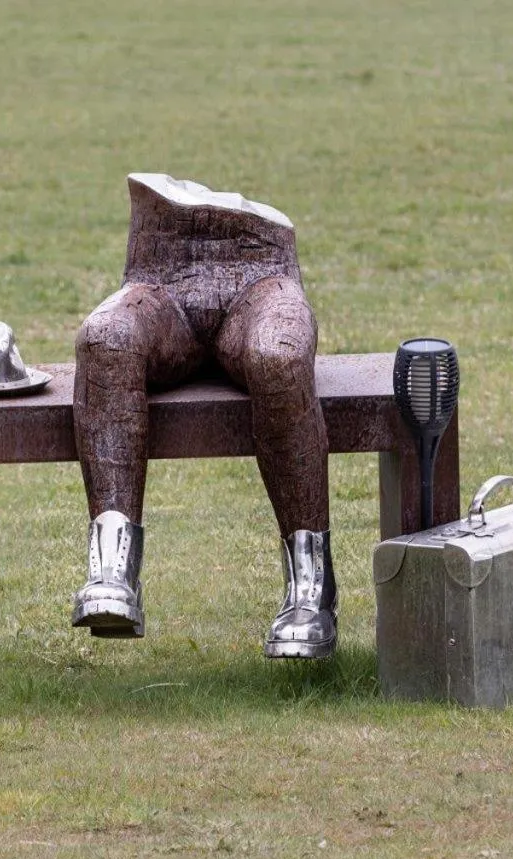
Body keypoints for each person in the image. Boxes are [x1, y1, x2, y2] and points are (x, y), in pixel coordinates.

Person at [70, 173, 336, 658]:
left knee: (279, 357)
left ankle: (311, 588)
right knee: (105, 337)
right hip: (158, 279)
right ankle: (111, 569)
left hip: (262, 275)